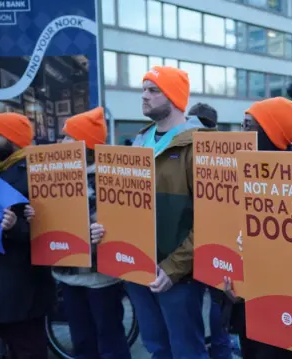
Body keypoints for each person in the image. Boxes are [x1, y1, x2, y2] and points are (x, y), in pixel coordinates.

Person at [91, 66, 210, 358]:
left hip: (178, 275)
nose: (144, 96)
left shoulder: (201, 145)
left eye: (153, 90)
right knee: (157, 348)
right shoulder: (139, 141)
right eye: (143, 89)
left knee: (186, 352)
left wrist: (173, 268)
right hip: (138, 270)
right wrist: (104, 227)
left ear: (174, 97)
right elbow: (126, 206)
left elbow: (212, 219)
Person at [25, 107, 131, 358]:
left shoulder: (111, 176)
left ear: (86, 144)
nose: (62, 143)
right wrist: (34, 216)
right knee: (82, 341)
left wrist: (106, 229)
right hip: (68, 276)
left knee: (110, 339)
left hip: (101, 278)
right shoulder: (52, 176)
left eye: (69, 137)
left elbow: (131, 221)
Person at [223, 97, 292, 359]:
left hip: (285, 315)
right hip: (246, 307)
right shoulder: (238, 173)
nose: (242, 133)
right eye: (241, 124)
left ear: (271, 133)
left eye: (249, 125)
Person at [0, 113, 54, 358]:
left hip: (22, 287)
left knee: (28, 348)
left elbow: (51, 231)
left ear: (11, 139)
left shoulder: (38, 173)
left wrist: (15, 227)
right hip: (1, 285)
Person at [188, 101, 233, 359]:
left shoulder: (183, 147)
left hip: (190, 244)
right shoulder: (227, 151)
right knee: (219, 307)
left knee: (193, 311)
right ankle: (220, 349)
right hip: (219, 244)